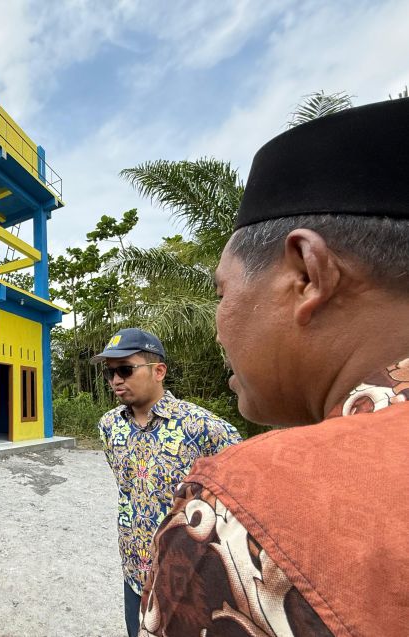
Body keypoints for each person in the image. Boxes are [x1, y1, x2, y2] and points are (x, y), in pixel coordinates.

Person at [138, 98, 409, 636]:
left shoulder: (237, 510)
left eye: (222, 291)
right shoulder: (110, 429)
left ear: (307, 275)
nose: (218, 325)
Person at [92, 328, 241, 637]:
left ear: (158, 371)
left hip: (188, 579)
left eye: (125, 369)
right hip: (134, 570)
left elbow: (242, 501)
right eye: (110, 373)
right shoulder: (109, 427)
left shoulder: (203, 427)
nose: (116, 380)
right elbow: (127, 490)